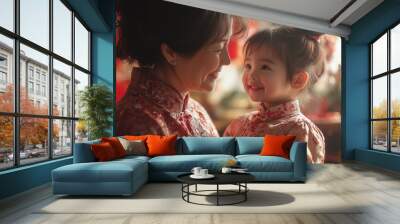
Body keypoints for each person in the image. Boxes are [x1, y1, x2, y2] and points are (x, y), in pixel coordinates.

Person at [116, 0, 242, 136]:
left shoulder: (194, 109)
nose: (227, 61)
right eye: (218, 49)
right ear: (170, 53)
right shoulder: (140, 124)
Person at [224, 27, 326, 163]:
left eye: (265, 67)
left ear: (298, 80)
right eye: (248, 65)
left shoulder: (300, 131)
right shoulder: (239, 124)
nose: (251, 74)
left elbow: (304, 178)